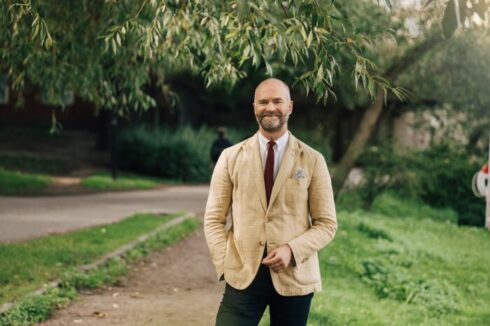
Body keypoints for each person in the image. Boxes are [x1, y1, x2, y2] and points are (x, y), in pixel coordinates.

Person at [204, 78, 337, 326]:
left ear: (290, 107)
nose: (270, 107)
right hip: (243, 275)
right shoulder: (230, 157)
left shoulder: (313, 160)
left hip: (294, 278)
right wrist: (225, 264)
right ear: (254, 107)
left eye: (277, 101)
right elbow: (213, 219)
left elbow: (327, 223)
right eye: (263, 101)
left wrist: (292, 250)